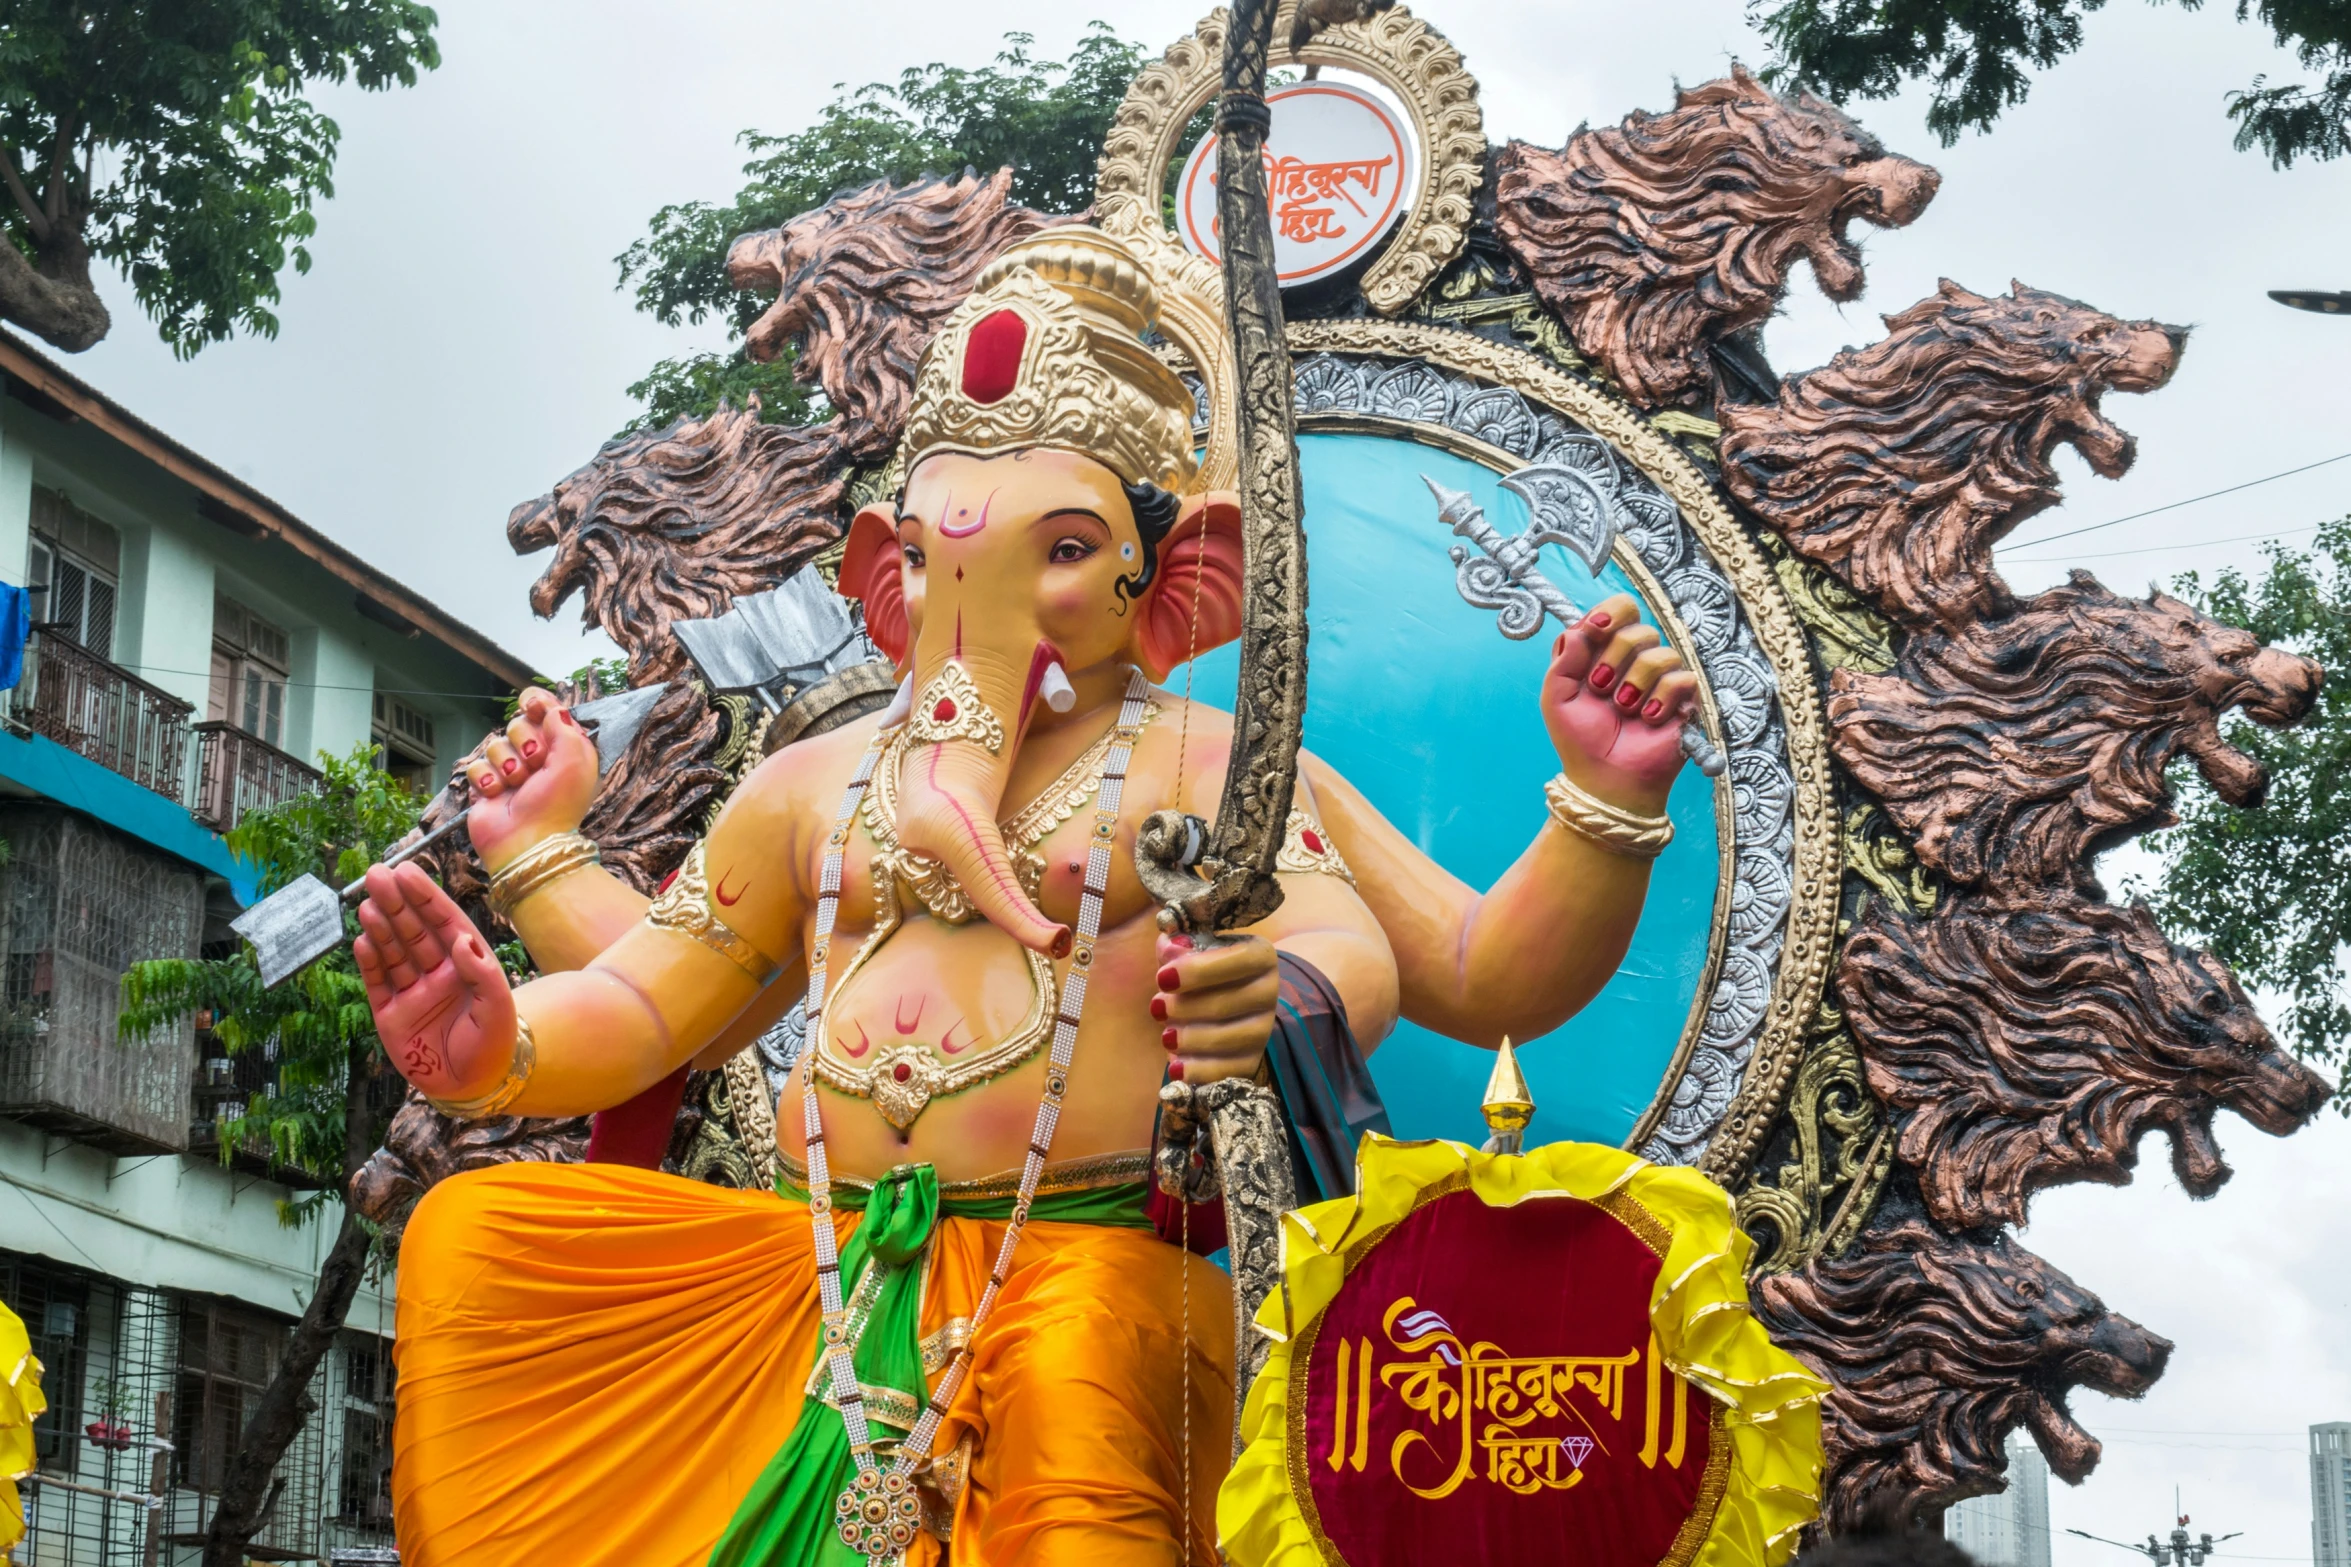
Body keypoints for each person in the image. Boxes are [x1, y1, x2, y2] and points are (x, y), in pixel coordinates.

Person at [364, 225, 1701, 1566]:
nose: (999, 595)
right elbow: (645, 1006)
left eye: (1061, 549)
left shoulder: (1204, 760)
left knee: (1065, 1364)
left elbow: (1450, 966)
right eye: (954, 560)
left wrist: (1586, 814)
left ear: (1174, 576)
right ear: (892, 576)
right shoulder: (815, 784)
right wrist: (496, 1045)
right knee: (474, 1236)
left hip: (1084, 1274)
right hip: (816, 1270)